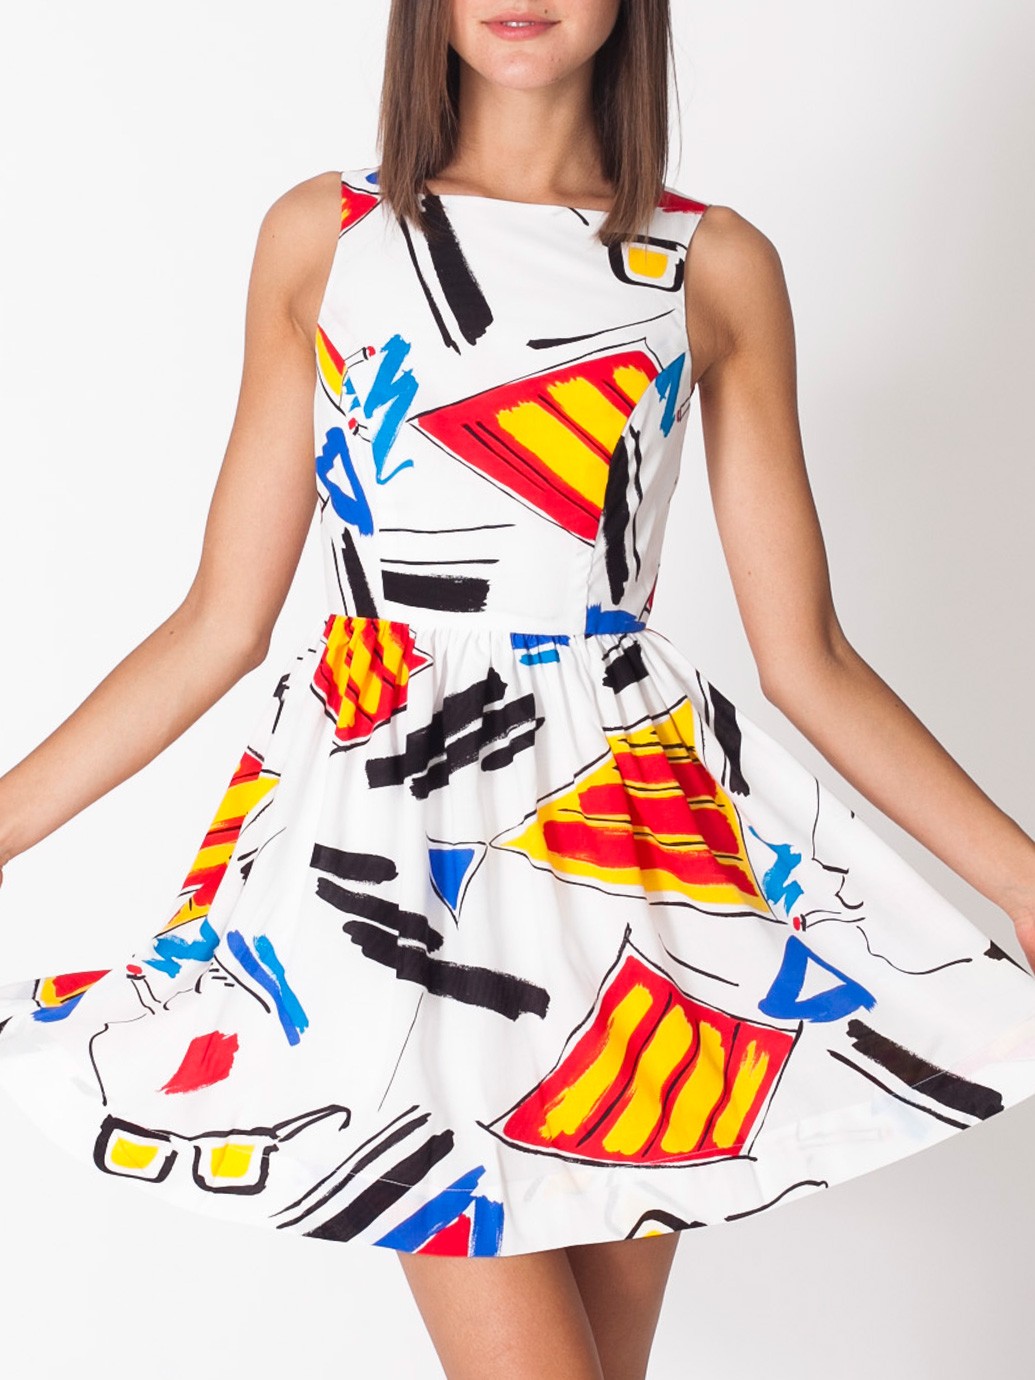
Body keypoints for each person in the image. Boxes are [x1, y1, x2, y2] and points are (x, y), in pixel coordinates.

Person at [3, 3, 1035, 1378]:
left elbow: (809, 660)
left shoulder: (711, 263)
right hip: (388, 870)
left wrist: (1021, 879)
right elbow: (216, 626)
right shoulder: (329, 236)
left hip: (637, 862)